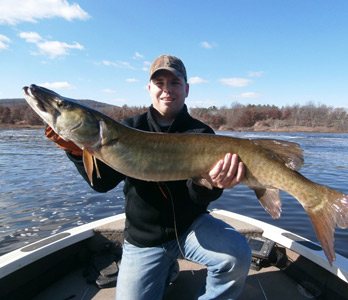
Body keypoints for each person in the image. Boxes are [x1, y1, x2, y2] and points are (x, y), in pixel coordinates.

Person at [46, 54, 252, 300]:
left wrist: (212, 185)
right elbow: (102, 184)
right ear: (149, 88)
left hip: (190, 228)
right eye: (160, 83)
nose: (167, 90)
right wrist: (77, 152)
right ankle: (166, 268)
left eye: (174, 83)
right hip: (143, 239)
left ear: (186, 89)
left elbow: (197, 197)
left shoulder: (201, 133)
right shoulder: (128, 127)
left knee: (237, 256)